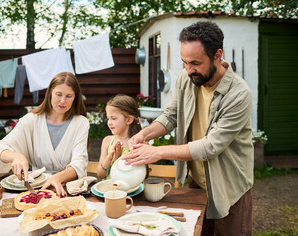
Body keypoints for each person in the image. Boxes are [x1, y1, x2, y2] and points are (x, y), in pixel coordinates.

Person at [122, 21, 254, 235]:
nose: (188, 70)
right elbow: (171, 115)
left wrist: (156, 152)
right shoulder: (186, 78)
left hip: (229, 187)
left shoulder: (238, 94)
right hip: (195, 181)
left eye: (195, 63)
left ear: (217, 55)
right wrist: (143, 134)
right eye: (184, 62)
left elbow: (211, 146)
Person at [0, 72, 89, 197]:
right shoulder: (31, 120)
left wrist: (57, 178)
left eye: (69, 96)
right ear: (50, 93)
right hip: (37, 191)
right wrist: (15, 156)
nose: (63, 101)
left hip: (68, 191)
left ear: (75, 98)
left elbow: (79, 164)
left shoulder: (80, 123)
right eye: (58, 94)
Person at [96, 94, 142, 179]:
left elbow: (140, 176)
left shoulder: (138, 144)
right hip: (109, 190)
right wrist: (110, 157)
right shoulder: (107, 141)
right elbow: (100, 175)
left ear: (128, 120)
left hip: (131, 191)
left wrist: (118, 159)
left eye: (113, 118)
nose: (109, 122)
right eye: (108, 118)